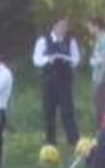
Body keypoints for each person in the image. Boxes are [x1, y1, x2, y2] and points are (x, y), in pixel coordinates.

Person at [33, 17, 82, 147]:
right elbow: (37, 59)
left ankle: (73, 139)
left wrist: (68, 60)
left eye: (65, 27)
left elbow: (76, 58)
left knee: (68, 109)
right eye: (61, 26)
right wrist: (48, 60)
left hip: (65, 79)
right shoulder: (43, 40)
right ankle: (50, 139)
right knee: (49, 110)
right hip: (49, 79)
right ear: (54, 27)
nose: (63, 29)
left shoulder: (70, 41)